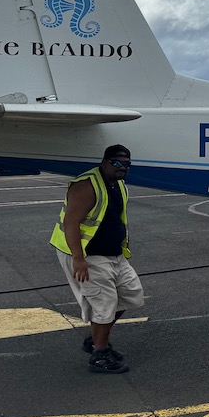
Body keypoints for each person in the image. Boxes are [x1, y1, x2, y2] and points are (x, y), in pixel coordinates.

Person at [50, 145, 144, 373]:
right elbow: (70, 223)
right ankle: (100, 354)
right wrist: (78, 259)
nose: (122, 168)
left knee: (132, 295)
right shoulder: (86, 186)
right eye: (117, 163)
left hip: (113, 254)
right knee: (104, 303)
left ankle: (95, 338)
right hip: (87, 255)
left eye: (127, 165)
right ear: (105, 161)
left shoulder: (118, 185)